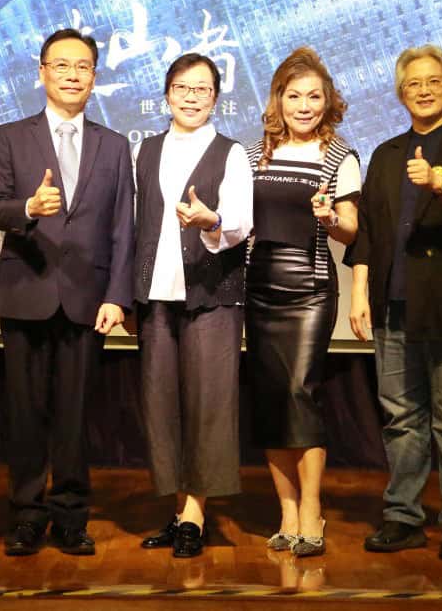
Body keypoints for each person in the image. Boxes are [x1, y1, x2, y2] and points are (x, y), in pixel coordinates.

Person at [0, 28, 135, 557]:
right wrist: (28, 208)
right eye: (62, 65)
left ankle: (71, 516)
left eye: (83, 67)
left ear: (94, 76)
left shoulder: (114, 145)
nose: (72, 75)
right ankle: (27, 515)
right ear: (41, 72)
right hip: (27, 292)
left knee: (75, 415)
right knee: (25, 414)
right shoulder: (10, 136)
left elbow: (123, 227)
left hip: (87, 299)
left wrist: (117, 295)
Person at [348, 44, 442, 560]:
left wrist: (441, 183)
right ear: (400, 93)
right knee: (401, 418)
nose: (424, 90)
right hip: (394, 306)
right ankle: (403, 517)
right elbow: (369, 229)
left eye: (434, 81)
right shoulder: (387, 153)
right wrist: (360, 292)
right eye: (413, 83)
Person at [133, 53, 253, 558]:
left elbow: (241, 223)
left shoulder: (231, 153)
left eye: (202, 89)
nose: (190, 97)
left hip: (211, 294)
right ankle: (179, 508)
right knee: (161, 404)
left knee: (208, 404)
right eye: (182, 87)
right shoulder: (145, 149)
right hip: (156, 294)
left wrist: (211, 221)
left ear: (215, 98)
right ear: (166, 95)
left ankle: (196, 517)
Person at [245, 47, 360, 558]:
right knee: (271, 397)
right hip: (259, 286)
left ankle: (312, 509)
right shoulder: (254, 154)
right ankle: (287, 513)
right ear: (279, 100)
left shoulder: (340, 157)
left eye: (314, 96)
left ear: (327, 101)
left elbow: (351, 229)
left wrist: (329, 218)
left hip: (310, 288)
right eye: (295, 96)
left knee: (299, 392)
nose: (304, 106)